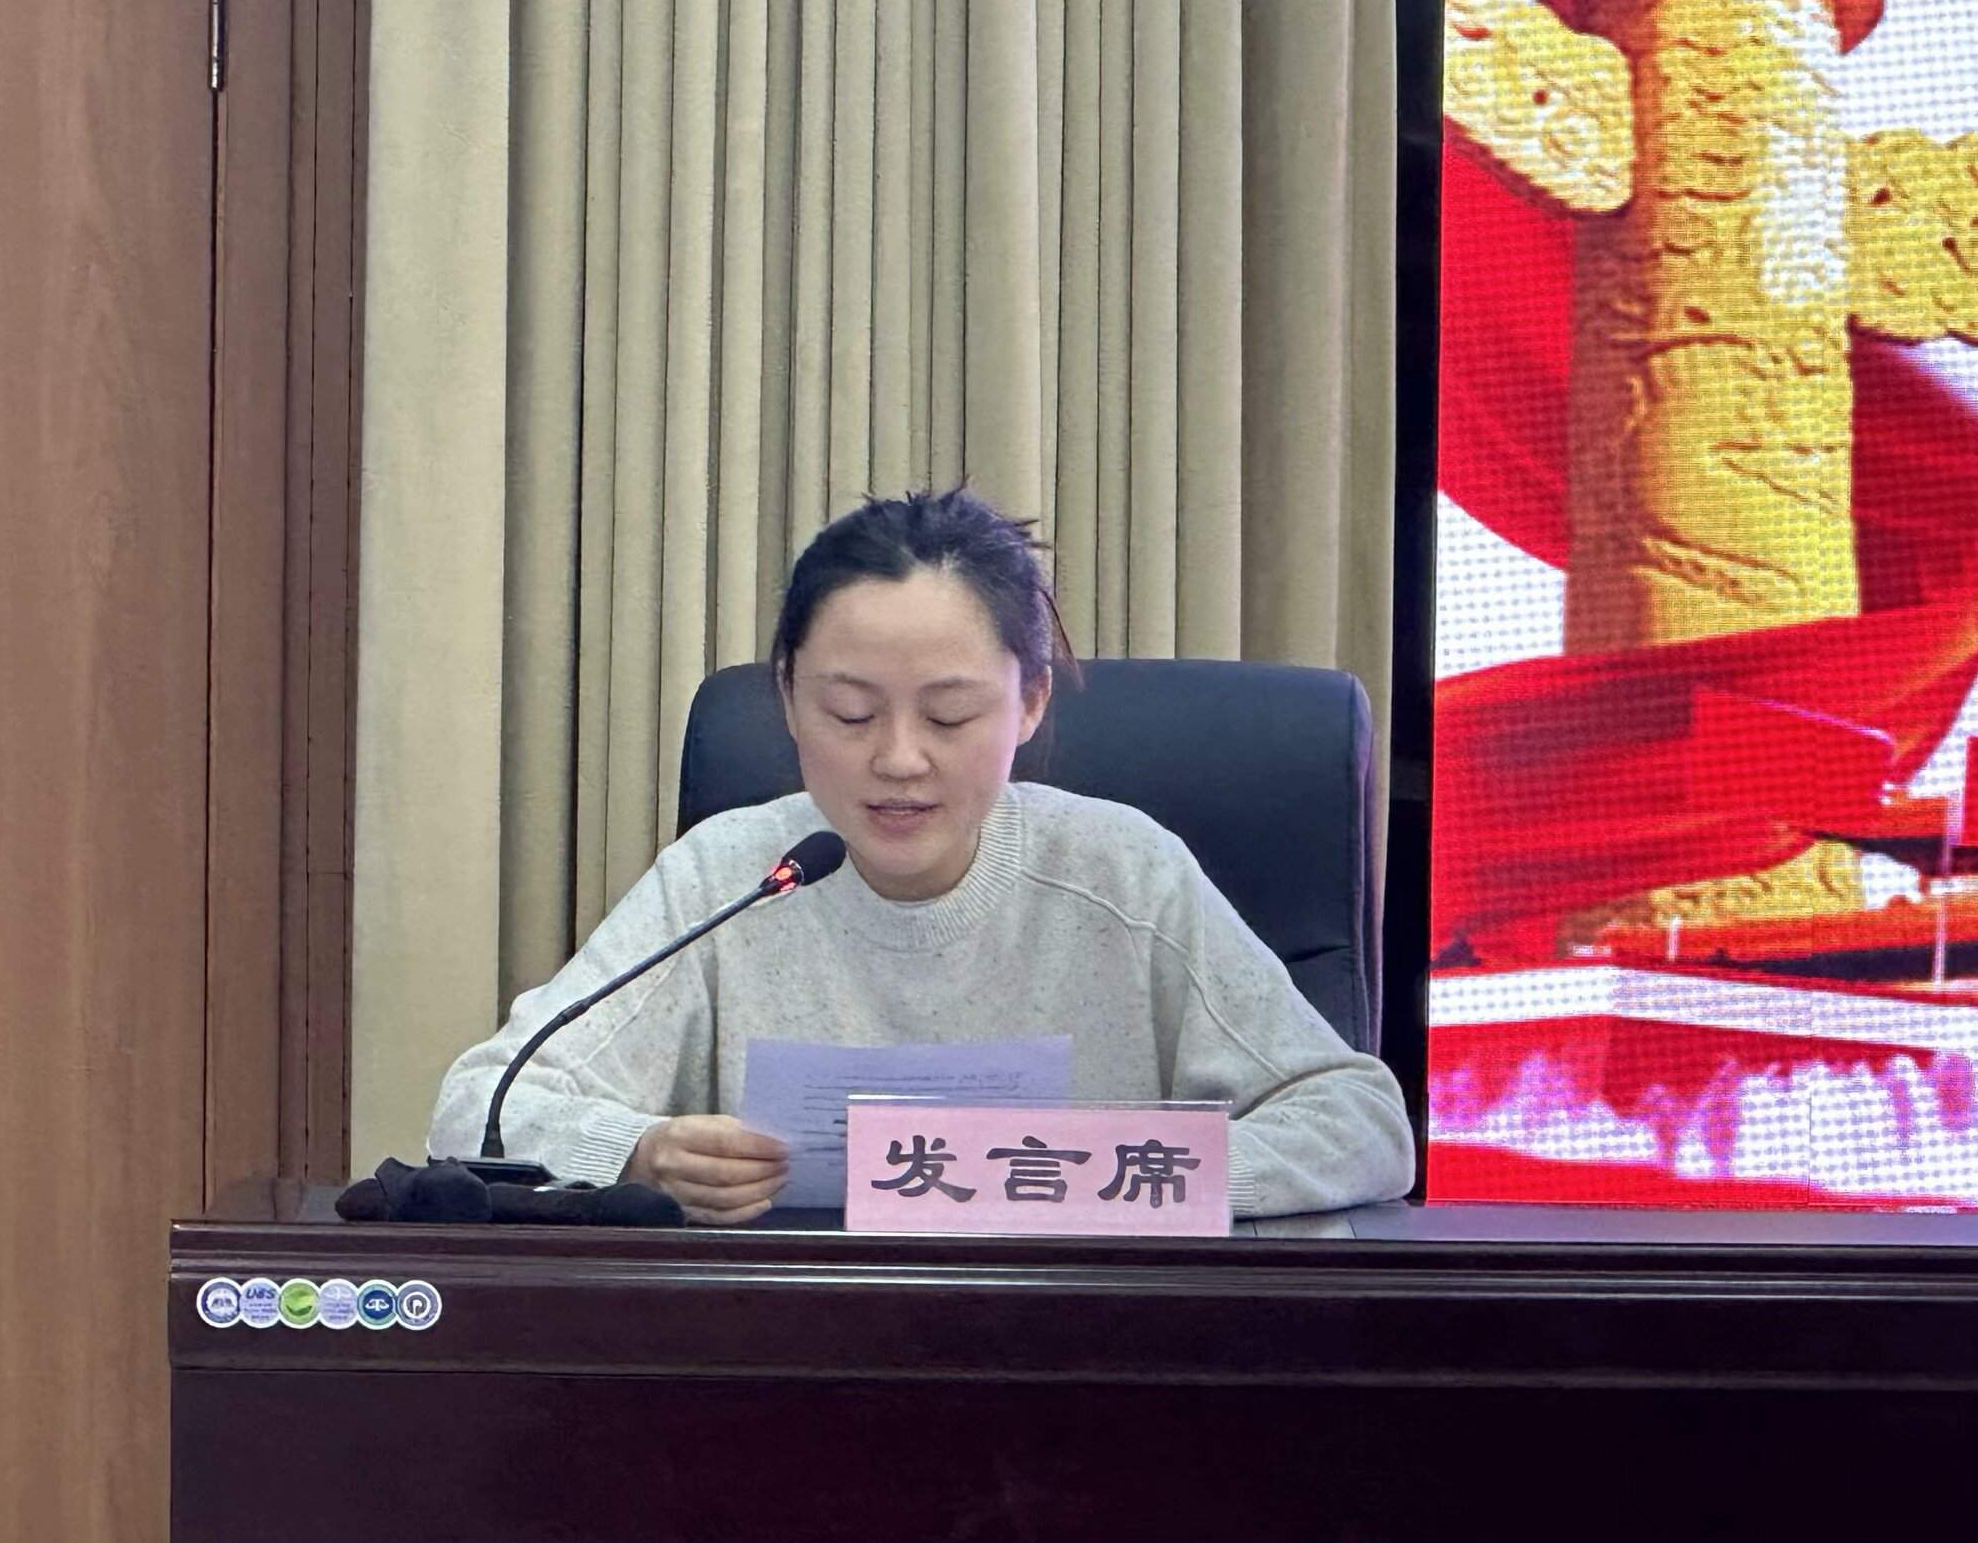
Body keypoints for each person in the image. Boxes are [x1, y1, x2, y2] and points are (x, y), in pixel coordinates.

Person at [429, 489, 1415, 1222]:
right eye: (850, 713)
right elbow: (480, 1105)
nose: (899, 759)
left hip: (1079, 1353)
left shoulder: (1123, 873)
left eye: (949, 715)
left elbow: (1360, 1122)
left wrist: (1121, 1174)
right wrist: (637, 1152)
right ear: (788, 698)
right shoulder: (731, 876)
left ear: (1029, 702)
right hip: (790, 1355)